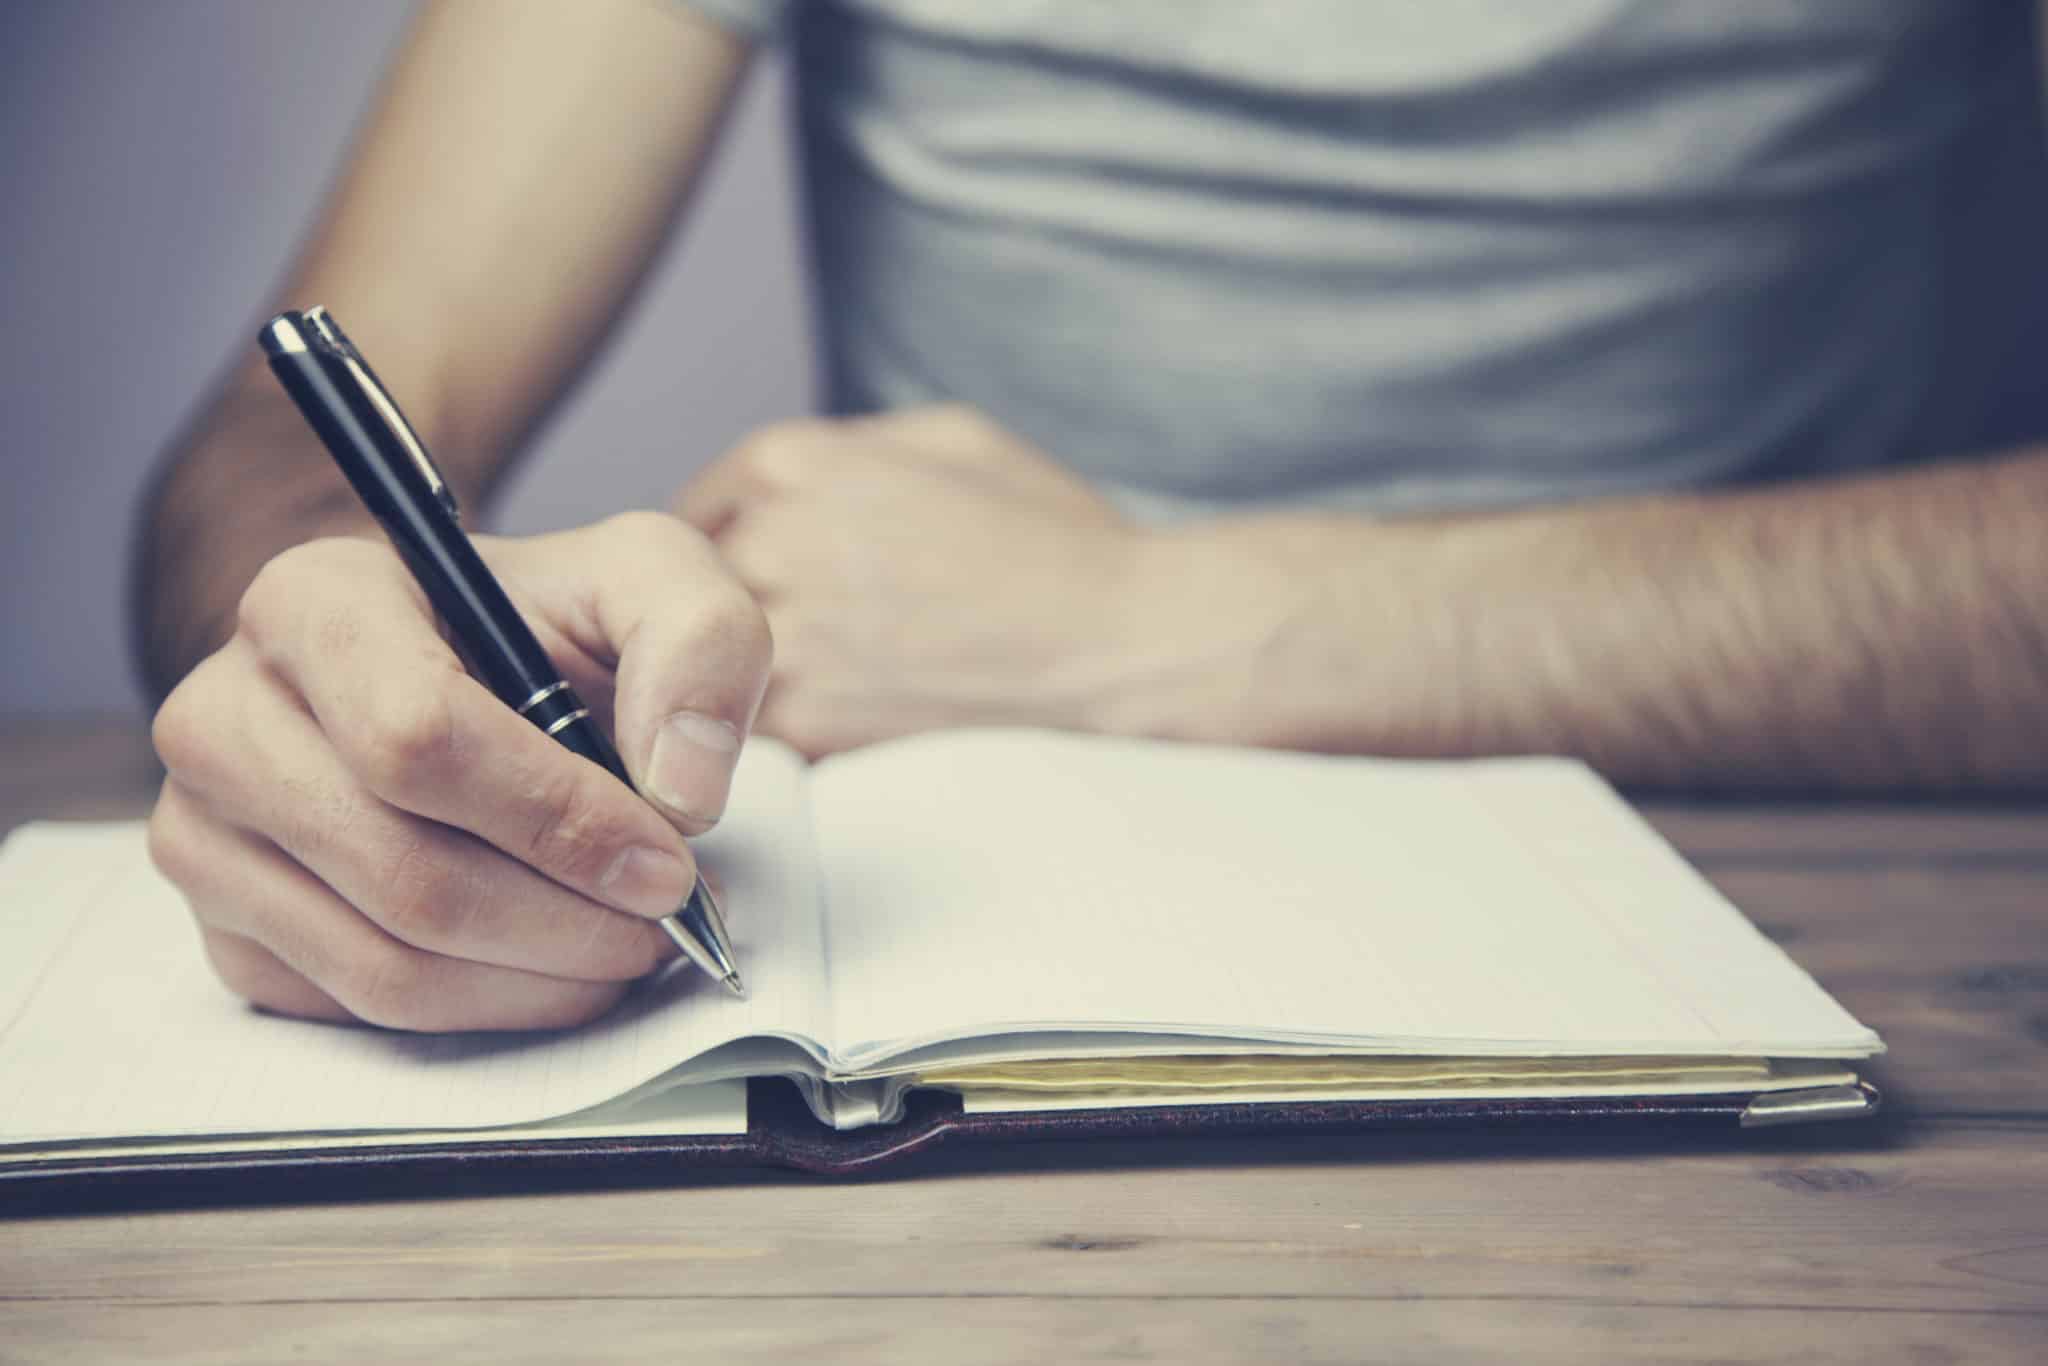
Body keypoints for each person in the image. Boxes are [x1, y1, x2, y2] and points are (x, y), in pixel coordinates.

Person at [134, 1, 2048, 1032]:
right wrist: (354, 631)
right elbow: (271, 455)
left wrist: (1173, 622)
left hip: (1816, 921)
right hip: (966, 926)